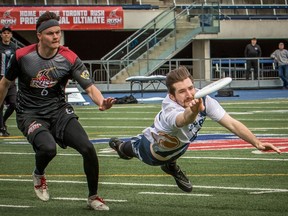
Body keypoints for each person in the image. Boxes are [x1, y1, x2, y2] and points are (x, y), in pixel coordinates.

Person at [0, 12, 115, 210]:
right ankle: (39, 173)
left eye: (58, 32)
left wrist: (101, 101)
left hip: (59, 111)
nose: (56, 37)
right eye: (51, 33)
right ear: (39, 35)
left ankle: (93, 197)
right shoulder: (22, 56)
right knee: (47, 148)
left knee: (88, 148)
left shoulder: (68, 58)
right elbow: (5, 84)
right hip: (30, 113)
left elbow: (89, 86)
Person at [109, 66, 281, 193]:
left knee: (181, 143)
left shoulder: (203, 98)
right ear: (172, 96)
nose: (189, 94)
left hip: (181, 145)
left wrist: (257, 143)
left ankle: (171, 165)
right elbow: (184, 119)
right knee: (128, 149)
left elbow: (231, 123)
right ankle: (120, 146)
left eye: (191, 88)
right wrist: (192, 110)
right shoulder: (169, 110)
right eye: (182, 91)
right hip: (152, 151)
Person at [0, 26, 17, 136]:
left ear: (11, 35)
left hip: (10, 79)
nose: (6, 35)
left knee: (14, 103)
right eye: (4, 33)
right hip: (0, 78)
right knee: (0, 105)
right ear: (1, 35)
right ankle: (1, 127)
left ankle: (4, 121)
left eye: (8, 33)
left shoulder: (14, 47)